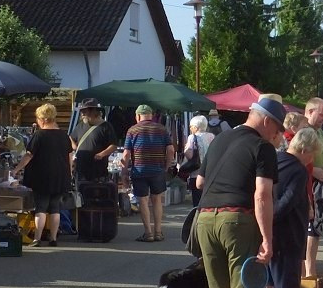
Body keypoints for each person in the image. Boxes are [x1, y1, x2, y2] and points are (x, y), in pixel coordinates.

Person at [196, 96, 286, 288]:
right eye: (278, 128)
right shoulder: (262, 147)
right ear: (267, 121)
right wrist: (267, 238)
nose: (278, 135)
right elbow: (262, 195)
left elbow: (199, 181)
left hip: (205, 218)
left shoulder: (219, 140)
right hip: (237, 218)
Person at [256, 127, 320, 288]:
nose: (311, 159)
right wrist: (273, 218)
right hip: (289, 234)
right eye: (311, 154)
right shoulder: (298, 170)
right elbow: (289, 199)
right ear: (303, 149)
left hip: (264, 232)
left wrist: (263, 223)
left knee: (264, 287)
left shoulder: (274, 161)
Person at [11, 103, 73, 246]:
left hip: (42, 176)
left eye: (38, 119)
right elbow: (69, 156)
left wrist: (16, 169)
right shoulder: (64, 135)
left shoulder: (39, 135)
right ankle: (53, 238)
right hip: (61, 176)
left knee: (41, 207)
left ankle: (37, 239)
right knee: (55, 208)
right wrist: (69, 174)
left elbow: (29, 155)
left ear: (43, 119)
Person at [122, 104, 175, 243]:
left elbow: (126, 154)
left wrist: (124, 173)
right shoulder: (162, 129)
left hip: (139, 170)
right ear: (151, 115)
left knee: (143, 200)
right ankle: (158, 232)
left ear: (138, 116)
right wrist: (167, 165)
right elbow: (170, 150)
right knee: (157, 200)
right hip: (157, 170)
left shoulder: (132, 130)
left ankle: (148, 233)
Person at [303, 97, 323, 278]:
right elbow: (296, 158)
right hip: (308, 187)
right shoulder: (304, 131)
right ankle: (308, 274)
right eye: (321, 115)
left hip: (317, 186)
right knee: (311, 231)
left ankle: (309, 273)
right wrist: (315, 171)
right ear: (310, 112)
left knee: (315, 231)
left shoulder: (318, 131)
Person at [70, 98, 118, 182]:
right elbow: (71, 137)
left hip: (98, 172)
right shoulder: (80, 126)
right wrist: (75, 147)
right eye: (82, 111)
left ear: (93, 111)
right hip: (81, 171)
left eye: (84, 111)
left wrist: (102, 154)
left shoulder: (106, 126)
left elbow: (113, 145)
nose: (82, 114)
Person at [181, 115, 215, 206]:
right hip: (210, 172)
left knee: (197, 200)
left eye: (191, 126)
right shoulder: (212, 136)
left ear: (196, 127)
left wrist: (185, 150)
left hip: (197, 172)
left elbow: (189, 155)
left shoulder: (192, 137)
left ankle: (197, 218)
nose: (190, 128)